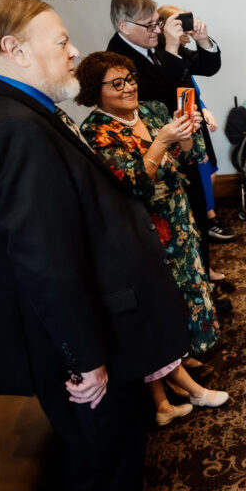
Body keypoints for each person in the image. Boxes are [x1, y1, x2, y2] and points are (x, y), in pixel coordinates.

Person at [0, 0, 189, 491]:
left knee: (109, 454)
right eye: (62, 41)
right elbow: (42, 259)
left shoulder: (18, 110)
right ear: (14, 50)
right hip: (75, 349)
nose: (74, 52)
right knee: (101, 455)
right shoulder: (12, 127)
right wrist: (84, 359)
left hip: (89, 325)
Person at [75, 51, 229, 424]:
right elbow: (131, 184)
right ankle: (173, 364)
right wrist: (160, 141)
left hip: (177, 211)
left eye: (130, 78)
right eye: (117, 83)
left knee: (192, 282)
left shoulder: (155, 109)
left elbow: (187, 160)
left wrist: (187, 137)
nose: (129, 87)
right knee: (163, 299)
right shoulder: (96, 131)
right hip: (143, 224)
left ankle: (186, 354)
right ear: (95, 92)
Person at [106, 0, 227, 298]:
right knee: (178, 225)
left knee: (196, 214)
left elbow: (208, 67)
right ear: (123, 26)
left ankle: (203, 283)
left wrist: (203, 41)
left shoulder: (152, 44)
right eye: (149, 25)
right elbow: (157, 94)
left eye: (157, 24)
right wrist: (171, 49)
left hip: (187, 135)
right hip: (161, 147)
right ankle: (192, 295)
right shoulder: (119, 58)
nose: (156, 31)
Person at [156, 4, 235, 248]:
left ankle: (207, 218)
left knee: (208, 170)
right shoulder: (158, 54)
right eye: (178, 23)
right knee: (198, 175)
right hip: (177, 126)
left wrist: (202, 41)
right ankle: (205, 222)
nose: (185, 28)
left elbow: (209, 68)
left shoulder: (182, 51)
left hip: (195, 118)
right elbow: (167, 86)